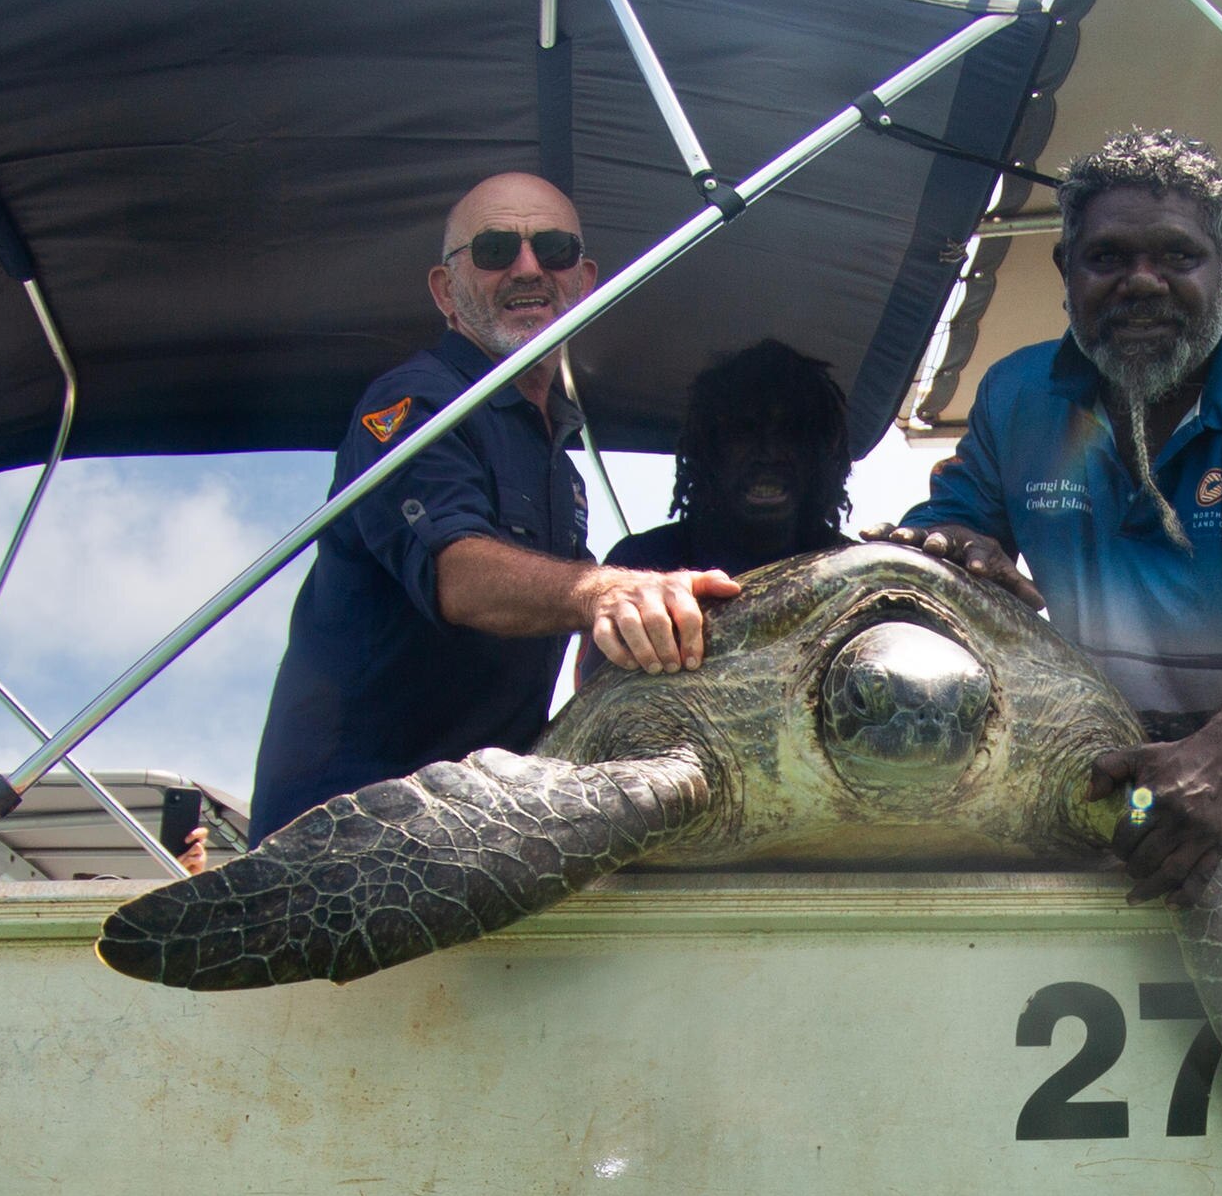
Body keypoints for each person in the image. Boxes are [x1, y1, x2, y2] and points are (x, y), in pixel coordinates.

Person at [899, 129, 1222, 896]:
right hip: (1107, 757)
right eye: (1107, 258)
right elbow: (951, 528)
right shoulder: (1016, 396)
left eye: (1176, 257)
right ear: (1066, 270)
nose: (1142, 282)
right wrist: (959, 550)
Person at [242, 173, 735, 833]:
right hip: (347, 832)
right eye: (496, 249)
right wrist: (606, 592)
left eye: (553, 249)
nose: (527, 268)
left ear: (583, 280)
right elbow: (462, 575)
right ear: (446, 292)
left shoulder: (559, 460)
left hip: (483, 826)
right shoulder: (417, 403)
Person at [609, 337, 858, 581]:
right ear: (707, 450)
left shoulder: (858, 569)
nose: (768, 451)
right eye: (745, 430)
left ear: (820, 454)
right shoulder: (641, 566)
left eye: (791, 431)